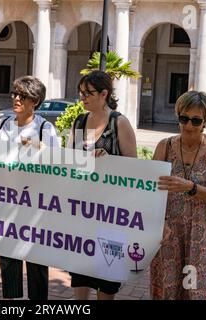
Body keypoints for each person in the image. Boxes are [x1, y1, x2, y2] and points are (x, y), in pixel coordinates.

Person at [150, 91, 206, 300]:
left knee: (198, 290)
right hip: (169, 229)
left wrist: (190, 187)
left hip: (201, 233)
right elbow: (149, 189)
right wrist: (158, 223)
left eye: (196, 120)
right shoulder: (165, 146)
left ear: (205, 122)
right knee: (169, 288)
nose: (189, 126)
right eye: (184, 119)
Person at [67, 70, 137, 300]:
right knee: (80, 275)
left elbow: (134, 170)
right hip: (82, 210)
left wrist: (109, 159)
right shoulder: (80, 121)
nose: (83, 98)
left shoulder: (119, 122)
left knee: (106, 281)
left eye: (89, 93)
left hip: (112, 213)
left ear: (104, 94)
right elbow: (71, 162)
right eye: (81, 93)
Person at [0, 75, 60, 300]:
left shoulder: (45, 128)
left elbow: (56, 163)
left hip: (35, 204)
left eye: (22, 96)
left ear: (35, 101)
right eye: (14, 93)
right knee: (7, 257)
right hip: (7, 201)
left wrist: (36, 146)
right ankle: (11, 301)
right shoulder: (3, 124)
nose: (16, 99)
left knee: (36, 260)